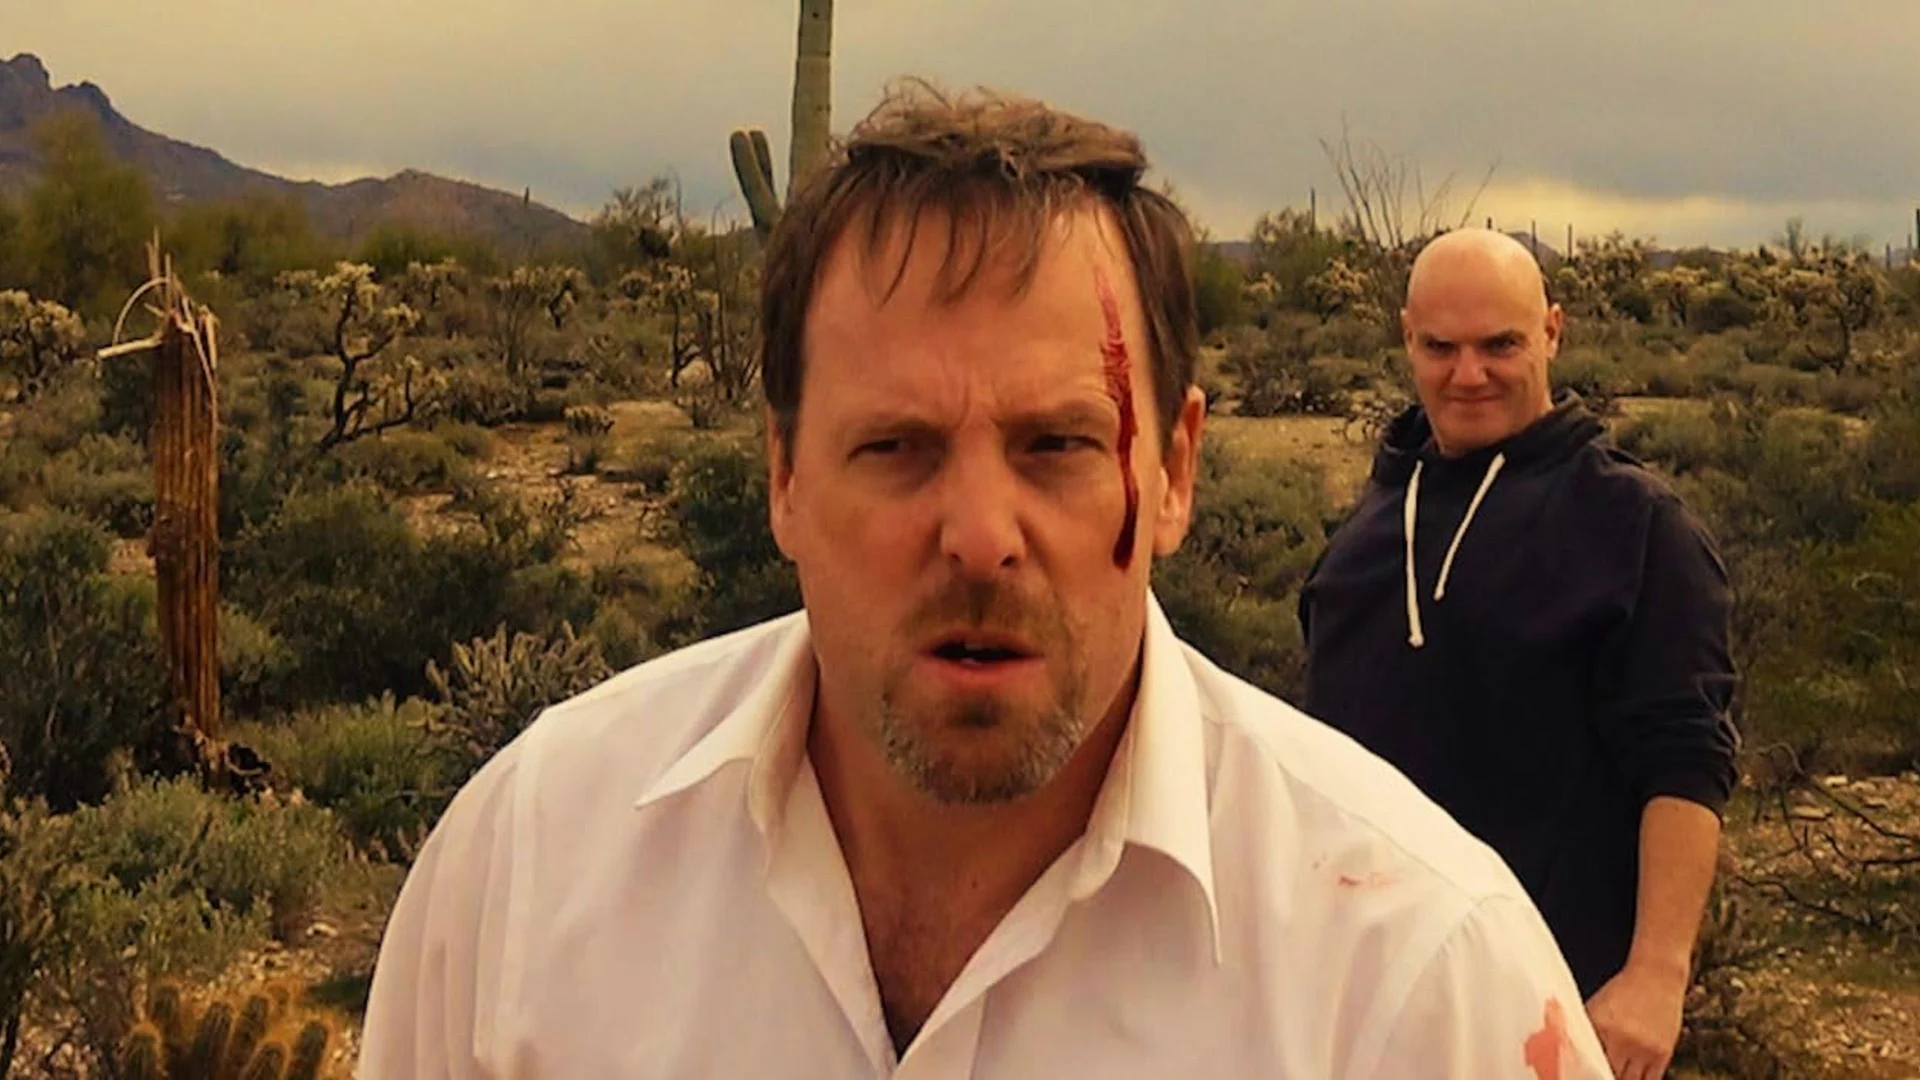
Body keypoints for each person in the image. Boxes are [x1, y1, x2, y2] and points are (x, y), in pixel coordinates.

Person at [357, 86, 1613, 1078]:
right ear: (783, 475)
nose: (977, 535)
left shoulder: (1418, 981)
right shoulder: (530, 872)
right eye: (895, 448)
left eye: (1056, 445)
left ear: (1172, 472)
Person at [1297, 228, 1741, 1079]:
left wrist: (1656, 976)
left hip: (1552, 1009)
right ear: (1407, 340)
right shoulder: (1366, 532)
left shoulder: (1636, 527)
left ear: (1552, 333)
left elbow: (1686, 762)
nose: (1469, 374)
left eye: (1500, 345)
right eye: (1442, 347)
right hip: (1363, 1004)